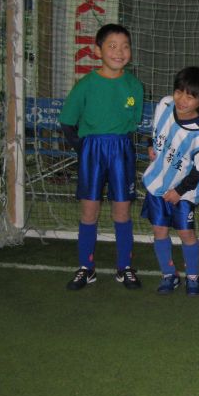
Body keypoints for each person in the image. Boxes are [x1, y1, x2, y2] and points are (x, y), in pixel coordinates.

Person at [60, 23, 144, 290]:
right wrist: (84, 149)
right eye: (112, 46)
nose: (119, 52)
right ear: (98, 51)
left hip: (121, 150)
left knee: (122, 210)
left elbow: (133, 123)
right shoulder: (86, 85)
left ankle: (124, 267)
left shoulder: (135, 86)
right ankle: (86, 267)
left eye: (125, 46)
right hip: (92, 152)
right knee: (89, 210)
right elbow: (67, 122)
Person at [142, 66, 199, 296]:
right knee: (159, 230)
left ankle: (192, 277)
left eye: (190, 96)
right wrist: (150, 146)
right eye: (179, 91)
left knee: (186, 234)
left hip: (183, 192)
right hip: (157, 184)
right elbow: (156, 130)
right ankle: (169, 275)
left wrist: (179, 191)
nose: (182, 99)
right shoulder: (165, 104)